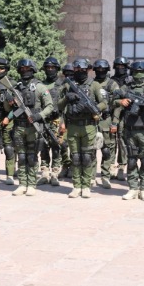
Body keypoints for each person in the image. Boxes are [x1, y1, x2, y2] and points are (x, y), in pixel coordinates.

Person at [58, 58, 107, 198]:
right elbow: (59, 106)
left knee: (87, 157)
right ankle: (76, 186)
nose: (80, 71)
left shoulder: (94, 85)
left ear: (87, 70)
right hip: (73, 126)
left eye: (83, 69)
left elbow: (104, 102)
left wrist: (93, 108)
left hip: (88, 126)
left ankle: (86, 186)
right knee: (75, 157)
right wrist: (67, 98)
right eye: (77, 69)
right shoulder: (68, 85)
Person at [114, 61, 144, 201]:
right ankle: (133, 188)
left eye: (141, 73)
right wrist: (120, 102)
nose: (138, 75)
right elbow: (112, 98)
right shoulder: (126, 88)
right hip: (130, 130)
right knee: (132, 160)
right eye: (136, 72)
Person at [9, 59, 53, 196]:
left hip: (33, 127)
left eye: (27, 69)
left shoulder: (40, 87)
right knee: (21, 157)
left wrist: (39, 116)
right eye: (22, 69)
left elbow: (50, 106)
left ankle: (32, 184)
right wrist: (9, 101)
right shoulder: (16, 88)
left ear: (33, 70)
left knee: (32, 157)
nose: (25, 71)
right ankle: (22, 183)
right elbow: (10, 110)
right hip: (19, 126)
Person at [39, 57, 67, 187]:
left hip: (57, 119)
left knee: (56, 147)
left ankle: (55, 173)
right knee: (43, 146)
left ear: (57, 69)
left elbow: (65, 105)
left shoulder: (62, 85)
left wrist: (63, 122)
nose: (50, 70)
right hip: (43, 120)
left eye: (52, 68)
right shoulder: (41, 85)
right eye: (48, 68)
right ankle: (45, 173)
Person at [0, 57, 17, 185]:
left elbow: (18, 106)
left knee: (9, 148)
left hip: (7, 119)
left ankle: (10, 175)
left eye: (2, 68)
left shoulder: (12, 84)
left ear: (6, 69)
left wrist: (8, 117)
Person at [92, 59, 119, 189]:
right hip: (92, 120)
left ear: (107, 70)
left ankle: (105, 176)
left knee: (107, 150)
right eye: (98, 70)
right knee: (91, 150)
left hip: (106, 120)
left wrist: (114, 123)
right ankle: (91, 177)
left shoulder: (112, 84)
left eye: (103, 69)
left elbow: (118, 105)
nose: (100, 71)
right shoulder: (91, 84)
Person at [111, 56, 131, 181]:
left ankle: (122, 167)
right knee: (111, 142)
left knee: (123, 141)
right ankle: (110, 167)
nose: (120, 68)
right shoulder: (111, 81)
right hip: (112, 113)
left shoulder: (130, 81)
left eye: (122, 66)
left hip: (127, 114)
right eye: (118, 66)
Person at [57, 63, 74, 179]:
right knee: (62, 144)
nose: (68, 75)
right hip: (63, 118)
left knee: (73, 145)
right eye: (66, 73)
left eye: (71, 73)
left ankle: (72, 166)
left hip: (74, 119)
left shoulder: (76, 85)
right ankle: (65, 165)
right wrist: (61, 122)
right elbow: (59, 105)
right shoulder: (61, 86)